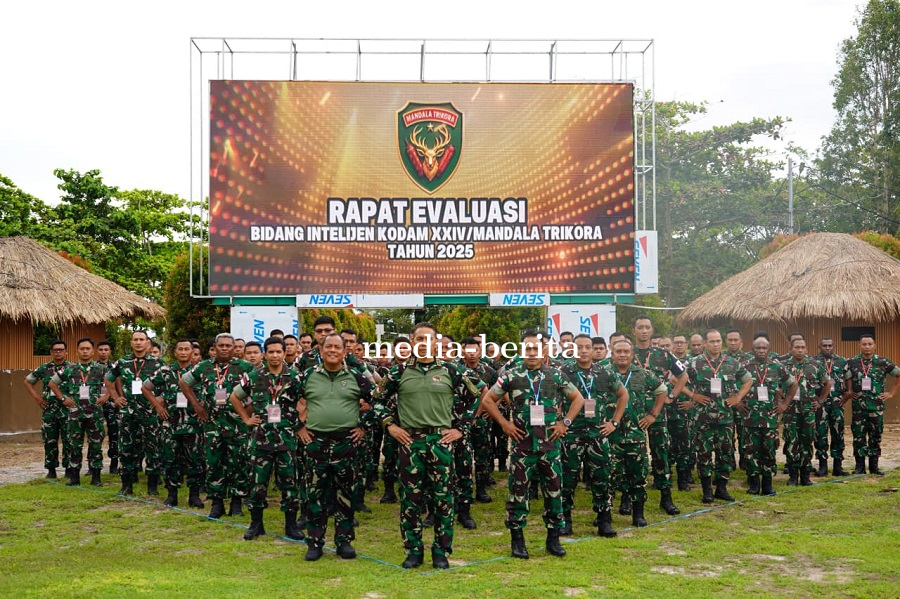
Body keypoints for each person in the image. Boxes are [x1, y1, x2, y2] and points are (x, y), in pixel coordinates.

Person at [372, 322, 485, 570]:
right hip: (410, 443)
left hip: (440, 442)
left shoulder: (451, 371)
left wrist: (461, 428)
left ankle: (441, 551)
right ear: (412, 342)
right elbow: (376, 401)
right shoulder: (398, 372)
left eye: (429, 339)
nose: (424, 344)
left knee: (443, 499)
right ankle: (413, 550)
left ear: (436, 343)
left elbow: (478, 397)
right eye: (419, 339)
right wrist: (390, 425)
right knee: (410, 500)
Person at [480, 330, 585, 559]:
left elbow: (578, 399)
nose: (532, 353)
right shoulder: (510, 375)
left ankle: (553, 539)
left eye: (536, 349)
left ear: (544, 351)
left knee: (554, 492)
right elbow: (488, 400)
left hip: (550, 445)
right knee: (518, 493)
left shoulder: (556, 375)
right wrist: (504, 424)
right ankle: (517, 541)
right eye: (527, 349)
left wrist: (564, 422)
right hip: (522, 445)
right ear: (521, 351)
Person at [296, 333, 372, 561]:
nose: (332, 350)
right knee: (315, 495)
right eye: (327, 346)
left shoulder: (357, 377)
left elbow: (379, 400)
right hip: (316, 442)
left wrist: (363, 427)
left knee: (345, 495)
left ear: (344, 351)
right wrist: (299, 426)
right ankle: (315, 543)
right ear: (320, 350)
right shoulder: (307, 375)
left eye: (337, 347)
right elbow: (285, 400)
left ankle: (344, 541)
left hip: (346, 443)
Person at [230, 337, 305, 541]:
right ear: (265, 354)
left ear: (284, 353)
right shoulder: (255, 376)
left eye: (278, 352)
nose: (274, 355)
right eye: (270, 352)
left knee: (289, 483)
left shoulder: (295, 377)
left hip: (286, 440)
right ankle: (256, 524)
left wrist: (301, 421)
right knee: (258, 483)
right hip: (261, 439)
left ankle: (291, 525)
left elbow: (308, 398)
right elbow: (234, 397)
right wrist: (246, 418)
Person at [557, 334, 628, 536]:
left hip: (598, 433)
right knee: (568, 477)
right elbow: (552, 397)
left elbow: (623, 395)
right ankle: (566, 520)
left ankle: (604, 519)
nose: (584, 351)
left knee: (602, 477)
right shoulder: (564, 372)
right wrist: (560, 422)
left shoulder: (604, 372)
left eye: (587, 347)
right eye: (579, 347)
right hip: (572, 434)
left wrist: (614, 422)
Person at [179, 333, 253, 518]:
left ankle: (236, 504)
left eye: (229, 345)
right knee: (213, 463)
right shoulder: (204, 367)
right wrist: (196, 405)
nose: (225, 348)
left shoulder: (245, 367)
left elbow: (259, 388)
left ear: (235, 347)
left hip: (237, 425)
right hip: (212, 424)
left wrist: (247, 413)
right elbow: (183, 382)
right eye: (221, 345)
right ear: (215, 347)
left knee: (238, 463)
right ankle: (217, 503)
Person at [685, 329, 752, 503]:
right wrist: (693, 396)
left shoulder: (731, 363)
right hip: (702, 417)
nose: (715, 344)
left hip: (725, 417)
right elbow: (675, 380)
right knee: (704, 454)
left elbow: (748, 380)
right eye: (711, 341)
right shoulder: (694, 362)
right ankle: (707, 490)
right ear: (705, 343)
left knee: (725, 453)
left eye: (717, 341)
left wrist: (738, 397)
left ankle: (721, 488)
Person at [631, 316, 688, 516]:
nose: (644, 331)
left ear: (652, 330)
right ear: (634, 331)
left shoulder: (664, 354)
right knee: (632, 457)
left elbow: (683, 376)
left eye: (647, 327)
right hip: (632, 414)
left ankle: (666, 498)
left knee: (661, 455)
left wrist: (672, 395)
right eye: (640, 327)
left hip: (658, 413)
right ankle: (629, 500)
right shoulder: (627, 352)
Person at [609, 338, 668, 527]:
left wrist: (653, 415)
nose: (622, 355)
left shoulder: (643, 374)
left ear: (632, 354)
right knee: (608, 476)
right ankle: (605, 515)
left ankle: (638, 513)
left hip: (636, 434)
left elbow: (662, 390)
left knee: (638, 476)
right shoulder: (604, 373)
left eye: (626, 352)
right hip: (611, 434)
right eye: (619, 351)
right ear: (612, 353)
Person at [142, 340, 205, 508]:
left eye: (187, 349)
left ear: (193, 352)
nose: (183, 352)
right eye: (180, 349)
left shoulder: (199, 371)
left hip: (194, 423)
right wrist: (157, 405)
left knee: (195, 461)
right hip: (171, 424)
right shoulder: (165, 371)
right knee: (170, 460)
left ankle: (194, 496)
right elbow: (145, 388)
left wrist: (203, 408)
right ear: (174, 353)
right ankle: (172, 495)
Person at [104, 331, 163, 496]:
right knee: (127, 448)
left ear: (148, 343)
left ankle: (152, 486)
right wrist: (115, 397)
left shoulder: (157, 363)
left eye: (141, 340)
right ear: (131, 342)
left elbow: (169, 382)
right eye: (135, 340)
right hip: (128, 411)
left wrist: (160, 399)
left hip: (149, 411)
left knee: (153, 447)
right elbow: (108, 379)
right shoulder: (123, 362)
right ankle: (127, 485)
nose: (138, 342)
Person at [47, 338, 108, 487]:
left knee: (95, 445)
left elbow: (111, 382)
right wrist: (62, 398)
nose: (85, 351)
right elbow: (52, 383)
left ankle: (96, 477)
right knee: (74, 445)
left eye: (88, 349)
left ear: (92, 351)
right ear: (77, 351)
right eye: (82, 349)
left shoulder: (101, 369)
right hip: (75, 413)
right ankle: (74, 478)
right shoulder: (70, 369)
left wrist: (106, 395)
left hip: (95, 413)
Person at [741, 337, 796, 496]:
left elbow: (793, 384)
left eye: (764, 348)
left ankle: (767, 484)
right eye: (758, 348)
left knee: (769, 450)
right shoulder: (745, 367)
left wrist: (785, 404)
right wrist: (737, 402)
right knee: (751, 451)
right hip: (750, 417)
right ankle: (753, 484)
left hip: (770, 418)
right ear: (753, 349)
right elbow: (730, 384)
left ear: (769, 349)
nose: (761, 351)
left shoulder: (777, 366)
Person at [843, 334, 899, 475]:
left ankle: (874, 467)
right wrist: (849, 392)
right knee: (858, 436)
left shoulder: (883, 362)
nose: (867, 347)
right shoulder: (852, 362)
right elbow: (843, 377)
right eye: (864, 344)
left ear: (874, 345)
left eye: (869, 344)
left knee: (875, 435)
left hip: (876, 406)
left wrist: (891, 393)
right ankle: (859, 467)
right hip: (859, 407)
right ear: (859, 346)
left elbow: (898, 374)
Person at [784, 338, 831, 486]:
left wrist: (821, 400)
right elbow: (776, 386)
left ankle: (805, 475)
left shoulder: (815, 366)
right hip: (790, 412)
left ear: (806, 349)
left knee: (807, 442)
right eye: (797, 347)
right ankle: (792, 476)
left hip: (808, 412)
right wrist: (780, 401)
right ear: (791, 348)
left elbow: (828, 383)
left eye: (803, 347)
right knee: (791, 442)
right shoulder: (783, 366)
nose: (800, 350)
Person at [24, 339, 72, 479]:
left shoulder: (72, 368)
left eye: (61, 350)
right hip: (49, 410)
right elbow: (27, 381)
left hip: (66, 410)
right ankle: (51, 470)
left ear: (66, 351)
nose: (58, 352)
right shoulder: (43, 368)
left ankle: (69, 469)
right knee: (50, 441)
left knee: (68, 440)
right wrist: (37, 398)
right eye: (55, 350)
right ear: (51, 352)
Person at [459, 336, 499, 505]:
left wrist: (485, 410)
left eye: (475, 350)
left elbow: (498, 391)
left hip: (482, 420)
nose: (472, 354)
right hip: (462, 421)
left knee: (482, 454)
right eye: (468, 350)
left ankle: (481, 489)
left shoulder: (489, 371)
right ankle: (463, 490)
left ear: (480, 351)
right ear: (462, 351)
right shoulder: (456, 370)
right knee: (463, 457)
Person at [378, 336, 411, 505]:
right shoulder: (390, 371)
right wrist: (388, 422)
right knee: (390, 456)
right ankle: (389, 490)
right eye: (400, 349)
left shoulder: (418, 369)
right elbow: (377, 397)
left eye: (405, 348)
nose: (403, 352)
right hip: (394, 421)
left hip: (414, 424)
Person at [814, 337, 849, 475]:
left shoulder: (842, 361)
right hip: (820, 405)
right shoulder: (814, 362)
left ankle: (837, 466)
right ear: (819, 346)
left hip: (836, 404)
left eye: (830, 345)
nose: (827, 348)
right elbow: (809, 381)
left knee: (838, 434)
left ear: (833, 346)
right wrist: (816, 398)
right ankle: (822, 466)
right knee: (820, 434)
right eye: (824, 345)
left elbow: (848, 378)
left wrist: (848, 394)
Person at [668, 334, 694, 490]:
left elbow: (700, 386)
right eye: (675, 343)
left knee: (684, 446)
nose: (678, 346)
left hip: (684, 412)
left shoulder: (692, 364)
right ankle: (666, 476)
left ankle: (684, 479)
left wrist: (693, 400)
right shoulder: (661, 363)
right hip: (665, 411)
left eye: (681, 343)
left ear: (686, 345)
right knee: (666, 446)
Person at [96, 340, 119, 474]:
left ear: (110, 351)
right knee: (96, 435)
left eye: (106, 350)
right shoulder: (93, 367)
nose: (103, 352)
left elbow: (118, 384)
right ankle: (94, 464)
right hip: (97, 404)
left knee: (114, 433)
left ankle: (114, 464)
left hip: (111, 404)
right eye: (101, 349)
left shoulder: (115, 366)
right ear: (97, 351)